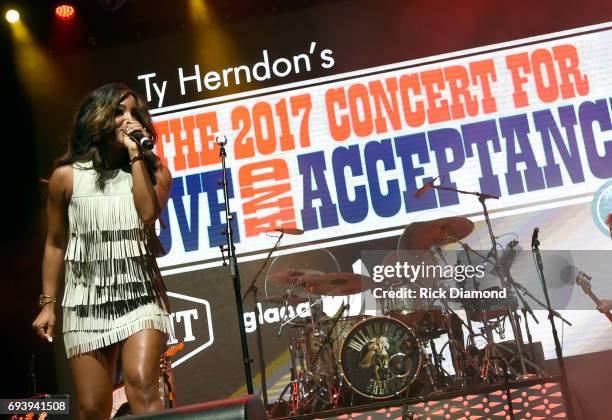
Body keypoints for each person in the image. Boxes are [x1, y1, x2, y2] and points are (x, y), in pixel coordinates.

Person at [31, 83, 174, 419]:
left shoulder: (156, 173)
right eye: (119, 111)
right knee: (93, 407)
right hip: (86, 300)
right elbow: (54, 243)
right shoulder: (65, 178)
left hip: (140, 295)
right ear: (97, 119)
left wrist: (135, 153)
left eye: (135, 113)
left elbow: (147, 213)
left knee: (141, 385)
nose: (129, 119)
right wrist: (48, 305)